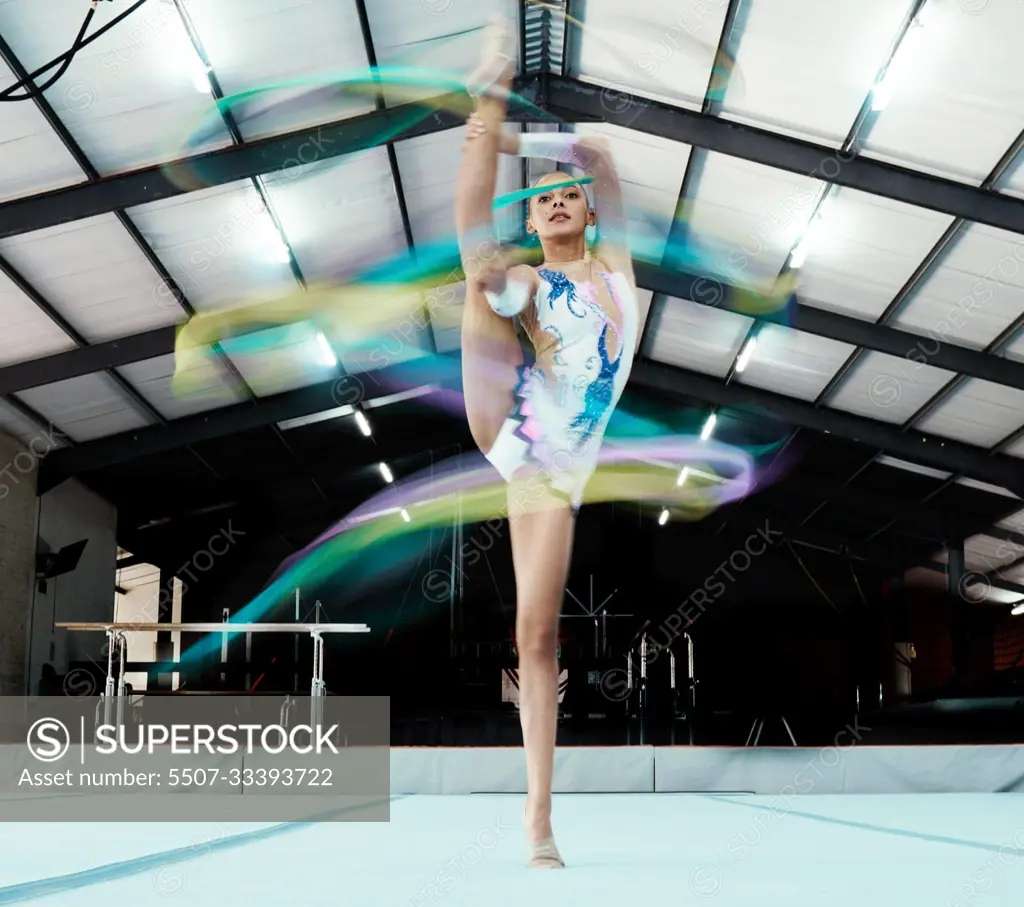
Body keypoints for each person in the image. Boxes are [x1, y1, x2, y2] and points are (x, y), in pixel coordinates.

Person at [456, 18, 639, 869]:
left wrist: (564, 144)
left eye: (568, 195)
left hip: (566, 459)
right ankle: (537, 819)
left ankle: (539, 812)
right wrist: (489, 116)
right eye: (544, 197)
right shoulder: (532, 276)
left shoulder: (618, 271)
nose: (559, 199)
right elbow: (479, 235)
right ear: (532, 218)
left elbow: (601, 160)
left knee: (538, 635)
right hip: (522, 434)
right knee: (477, 272)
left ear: (589, 213)